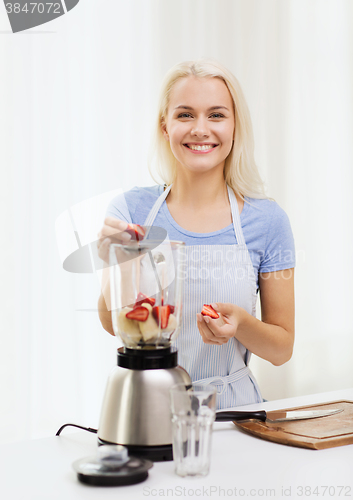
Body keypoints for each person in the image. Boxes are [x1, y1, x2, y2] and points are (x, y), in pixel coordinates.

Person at [97, 59, 295, 409]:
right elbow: (113, 323)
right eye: (185, 114)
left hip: (233, 411)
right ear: (165, 126)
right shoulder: (130, 212)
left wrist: (242, 324)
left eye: (216, 115)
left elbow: (281, 350)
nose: (200, 129)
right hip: (148, 407)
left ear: (235, 126)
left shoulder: (268, 221)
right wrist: (117, 261)